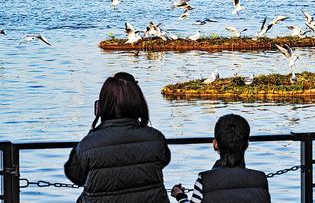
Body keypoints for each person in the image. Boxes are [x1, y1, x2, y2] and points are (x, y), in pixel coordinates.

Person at [64, 72, 171, 203]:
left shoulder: (88, 144)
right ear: (137, 103)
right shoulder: (156, 138)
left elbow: (75, 176)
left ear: (102, 106)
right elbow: (164, 160)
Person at [171, 114, 271, 203]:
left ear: (215, 144)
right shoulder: (261, 179)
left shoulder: (205, 181)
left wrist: (180, 196)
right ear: (246, 144)